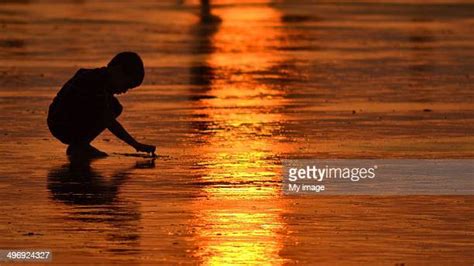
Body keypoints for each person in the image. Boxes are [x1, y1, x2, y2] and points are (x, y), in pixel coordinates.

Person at [47, 51, 156, 158]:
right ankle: (79, 145)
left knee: (115, 106)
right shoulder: (95, 82)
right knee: (112, 108)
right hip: (61, 124)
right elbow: (108, 120)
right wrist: (136, 145)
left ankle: (80, 143)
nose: (124, 91)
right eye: (126, 85)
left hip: (61, 119)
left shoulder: (98, 78)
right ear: (117, 70)